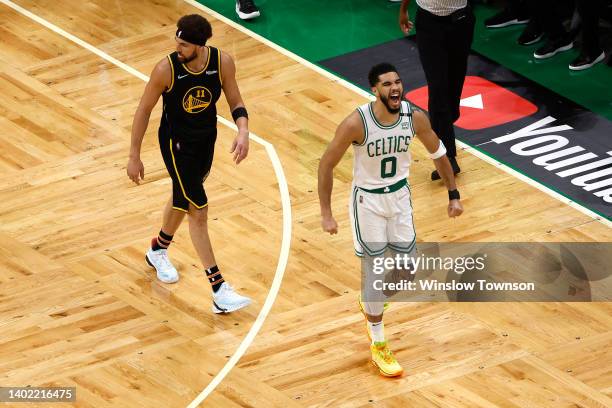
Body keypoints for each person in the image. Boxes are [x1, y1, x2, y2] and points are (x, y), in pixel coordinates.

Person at [318, 63, 464, 377]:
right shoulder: (356, 123)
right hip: (367, 201)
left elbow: (439, 152)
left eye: (397, 82)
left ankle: (372, 301)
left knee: (407, 271)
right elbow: (326, 165)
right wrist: (326, 213)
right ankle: (379, 344)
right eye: (386, 84)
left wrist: (453, 193)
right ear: (374, 90)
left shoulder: (414, 117)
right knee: (374, 271)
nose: (395, 87)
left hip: (399, 196)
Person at [127, 14, 251, 314]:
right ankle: (219, 289)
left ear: (199, 44)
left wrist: (243, 130)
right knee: (199, 209)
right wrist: (134, 155)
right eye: (177, 43)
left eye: (183, 45)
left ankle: (157, 250)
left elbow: (235, 100)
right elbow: (143, 110)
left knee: (183, 199)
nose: (177, 48)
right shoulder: (166, 69)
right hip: (176, 144)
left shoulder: (223, 62)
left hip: (205, 140)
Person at [399, 0, 475, 181]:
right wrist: (403, 9)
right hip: (429, 23)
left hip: (460, 22)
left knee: (453, 91)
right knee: (437, 87)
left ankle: (445, 125)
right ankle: (447, 157)